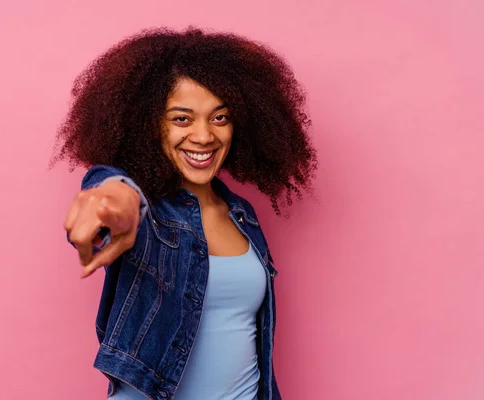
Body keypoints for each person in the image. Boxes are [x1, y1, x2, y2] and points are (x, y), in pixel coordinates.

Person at [54, 27, 317, 400]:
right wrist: (114, 200)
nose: (204, 136)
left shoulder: (243, 215)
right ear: (149, 125)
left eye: (220, 118)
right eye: (182, 119)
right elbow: (113, 188)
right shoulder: (148, 212)